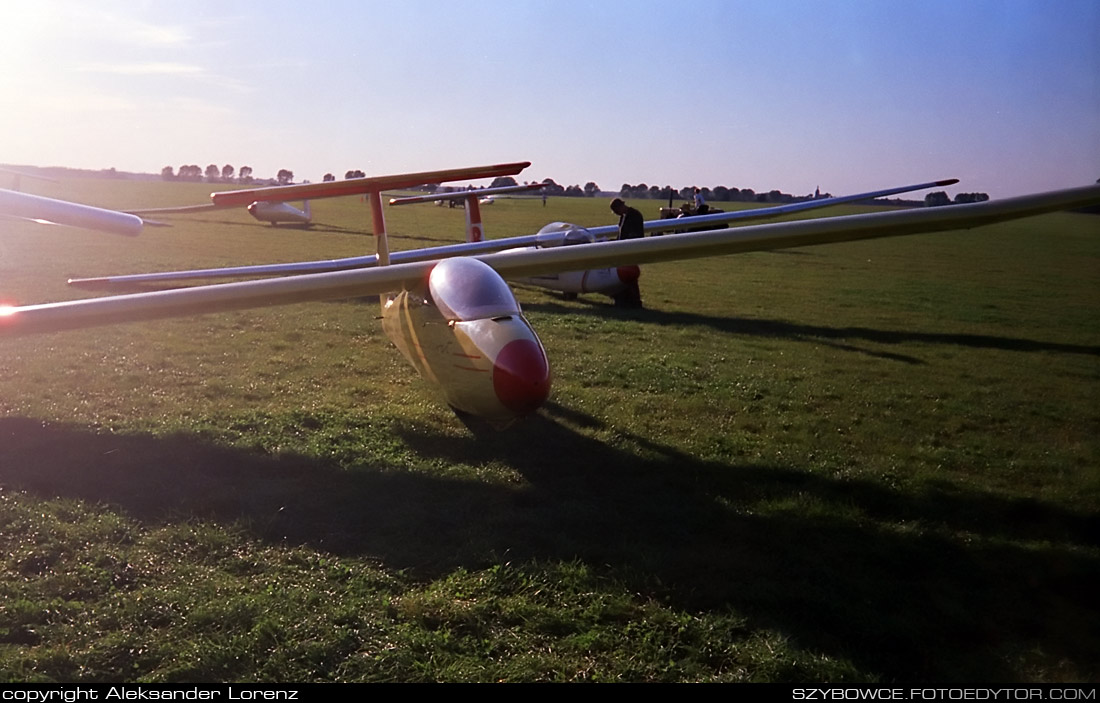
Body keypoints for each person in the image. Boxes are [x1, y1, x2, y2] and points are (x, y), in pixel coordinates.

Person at [609, 198, 644, 308]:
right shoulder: (623, 217)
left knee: (629, 275)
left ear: (620, 207)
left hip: (631, 249)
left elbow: (634, 234)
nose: (616, 214)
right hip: (623, 250)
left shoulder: (634, 215)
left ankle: (634, 301)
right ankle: (625, 299)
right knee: (623, 275)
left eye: (616, 211)